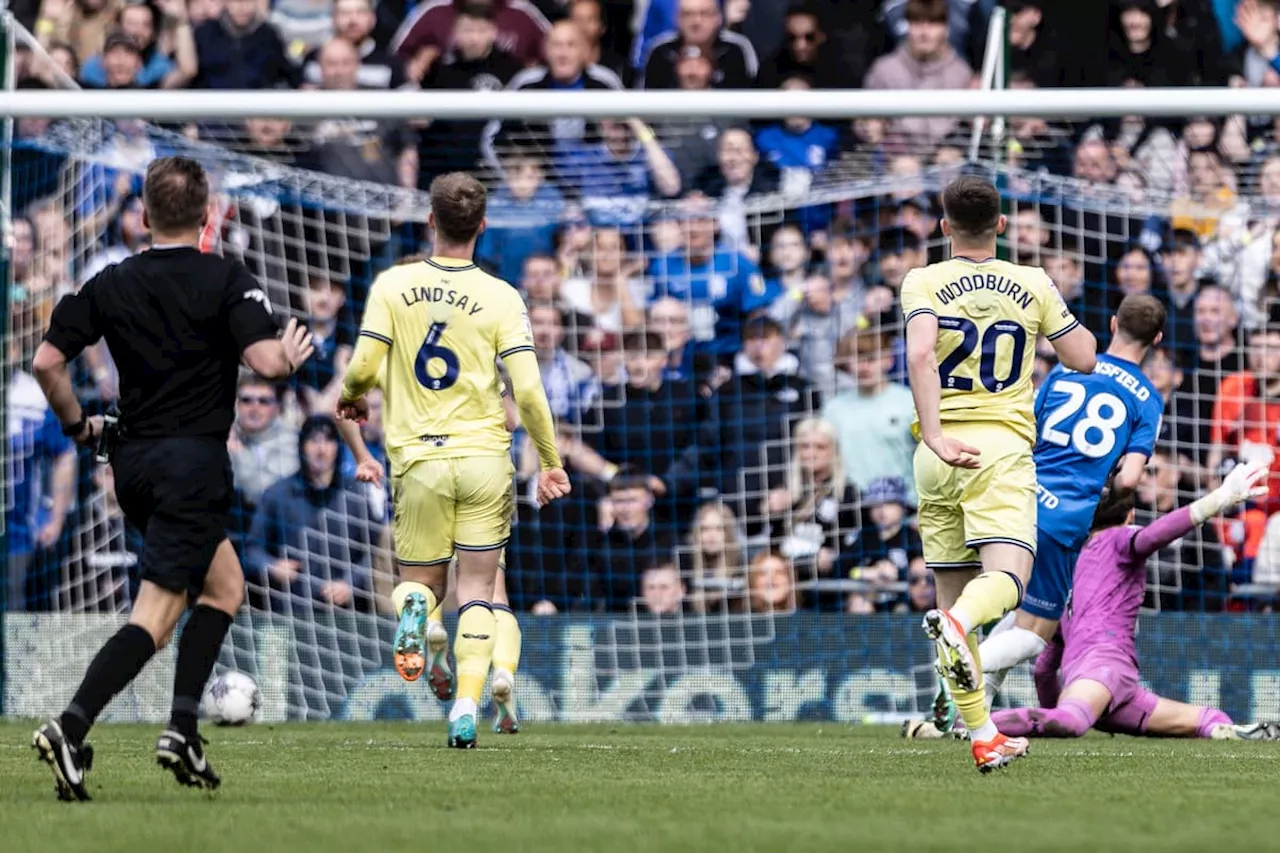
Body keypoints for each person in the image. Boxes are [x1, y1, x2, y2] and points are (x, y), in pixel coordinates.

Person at [30, 156, 315, 800]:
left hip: (133, 466)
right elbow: (267, 361)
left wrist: (81, 429)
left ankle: (183, 726)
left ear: (145, 216)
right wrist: (290, 356)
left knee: (225, 587)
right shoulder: (225, 278)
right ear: (208, 213)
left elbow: (48, 363)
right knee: (155, 619)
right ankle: (71, 728)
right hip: (192, 465)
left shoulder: (109, 281)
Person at [336, 172, 569, 749]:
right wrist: (549, 460)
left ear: (430, 221)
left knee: (418, 585)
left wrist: (351, 395)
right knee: (482, 589)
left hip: (418, 459)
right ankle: (466, 704)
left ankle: (417, 614)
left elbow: (364, 367)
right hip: (486, 459)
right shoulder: (502, 297)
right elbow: (530, 393)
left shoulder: (393, 285)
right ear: (483, 227)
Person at [901, 174, 1096, 772]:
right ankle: (956, 626)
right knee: (1005, 586)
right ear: (1003, 226)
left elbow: (917, 354)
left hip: (936, 453)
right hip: (998, 451)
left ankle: (982, 733)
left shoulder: (923, 280)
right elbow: (1083, 357)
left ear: (943, 227)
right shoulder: (1032, 281)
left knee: (956, 596)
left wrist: (934, 433)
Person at [945, 295, 1166, 729]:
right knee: (1034, 634)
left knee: (1012, 605)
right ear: (1156, 339)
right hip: (1065, 514)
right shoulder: (1149, 400)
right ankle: (956, 665)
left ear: (1113, 321)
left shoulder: (1068, 366)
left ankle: (966, 714)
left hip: (1020, 493)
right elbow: (1127, 480)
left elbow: (1027, 427)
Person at [989, 465, 1279, 742]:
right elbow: (1157, 533)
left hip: (1103, 681)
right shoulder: (1120, 539)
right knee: (1210, 718)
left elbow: (1043, 670)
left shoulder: (1065, 571)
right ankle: (974, 722)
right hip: (1109, 671)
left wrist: (1055, 710)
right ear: (1130, 515)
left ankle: (979, 720)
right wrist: (1217, 500)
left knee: (1071, 719)